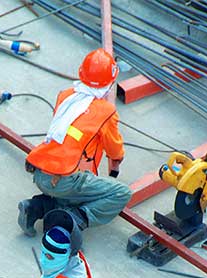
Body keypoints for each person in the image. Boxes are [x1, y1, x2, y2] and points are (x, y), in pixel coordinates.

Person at [18, 48, 132, 236]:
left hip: (39, 171)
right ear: (110, 83)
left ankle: (35, 207)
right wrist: (117, 160)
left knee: (74, 190)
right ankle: (74, 219)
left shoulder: (66, 95)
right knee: (120, 193)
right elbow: (114, 150)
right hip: (65, 179)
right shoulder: (106, 111)